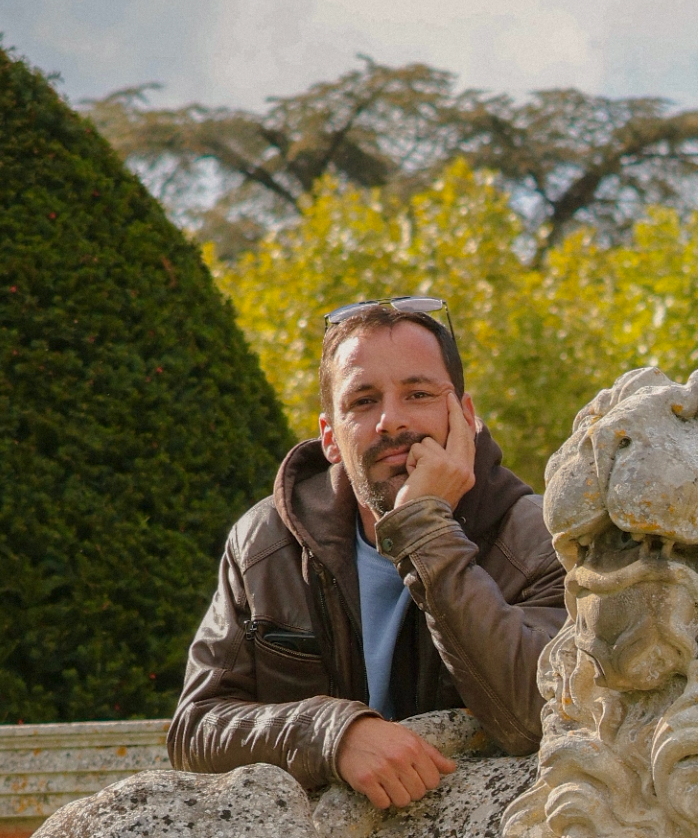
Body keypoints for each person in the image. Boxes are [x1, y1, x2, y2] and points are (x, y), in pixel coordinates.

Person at [168, 296, 567, 809]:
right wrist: (334, 735)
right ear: (330, 438)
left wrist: (424, 529)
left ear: (466, 417)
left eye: (418, 393)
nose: (391, 421)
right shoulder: (265, 543)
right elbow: (196, 728)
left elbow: (533, 716)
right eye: (363, 401)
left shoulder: (538, 539)